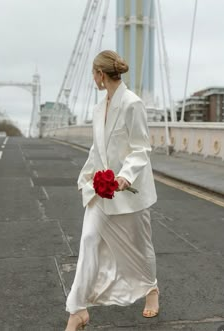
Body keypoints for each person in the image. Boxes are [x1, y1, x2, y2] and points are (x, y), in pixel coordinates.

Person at [65, 50, 159, 331]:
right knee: (89, 241)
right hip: (101, 191)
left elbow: (141, 148)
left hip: (129, 192)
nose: (93, 78)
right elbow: (98, 150)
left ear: (100, 75)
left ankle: (151, 289)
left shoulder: (133, 104)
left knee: (140, 247)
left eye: (93, 74)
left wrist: (125, 177)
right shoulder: (98, 108)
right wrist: (86, 179)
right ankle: (77, 310)